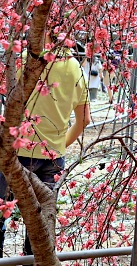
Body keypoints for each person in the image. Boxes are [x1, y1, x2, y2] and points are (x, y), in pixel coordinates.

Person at [0, 27, 90, 256]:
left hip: (15, 153)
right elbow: (84, 120)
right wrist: (57, 147)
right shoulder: (74, 67)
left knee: (1, 214)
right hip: (53, 160)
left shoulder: (23, 62)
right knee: (39, 229)